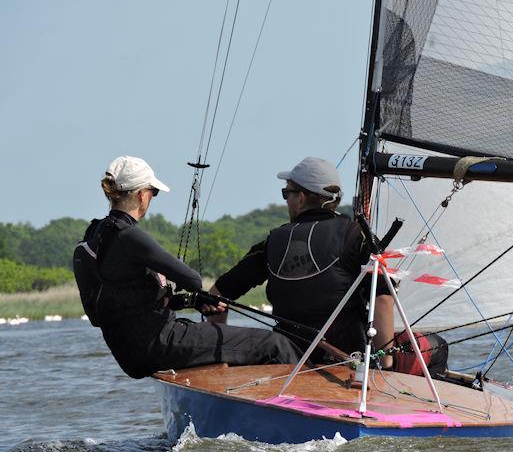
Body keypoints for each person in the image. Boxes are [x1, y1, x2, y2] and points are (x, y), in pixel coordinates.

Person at [74, 155, 301, 379]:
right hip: (160, 343)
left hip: (130, 352)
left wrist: (192, 301)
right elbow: (192, 280)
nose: (152, 198)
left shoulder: (95, 236)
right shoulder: (129, 236)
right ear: (142, 195)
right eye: (154, 192)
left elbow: (126, 304)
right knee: (274, 344)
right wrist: (192, 288)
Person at [208, 157, 395, 367]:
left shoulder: (273, 242)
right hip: (348, 365)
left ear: (302, 198)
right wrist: (386, 363)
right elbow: (383, 298)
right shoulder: (357, 236)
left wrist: (219, 362)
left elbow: (216, 295)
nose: (286, 200)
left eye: (287, 193)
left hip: (286, 364)